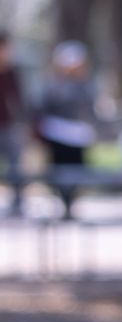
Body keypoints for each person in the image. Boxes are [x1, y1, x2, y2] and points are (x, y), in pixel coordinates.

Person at [34, 40, 97, 218]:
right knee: (59, 172)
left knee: (77, 171)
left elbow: (89, 108)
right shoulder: (54, 84)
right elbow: (45, 107)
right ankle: (63, 202)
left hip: (78, 135)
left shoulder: (86, 85)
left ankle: (71, 203)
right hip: (57, 134)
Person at [0, 33, 25, 216]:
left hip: (7, 126)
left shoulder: (12, 72)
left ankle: (17, 202)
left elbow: (18, 101)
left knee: (15, 165)